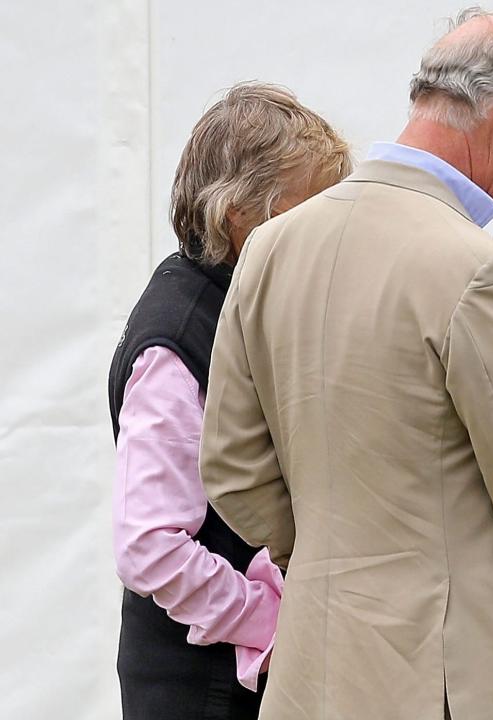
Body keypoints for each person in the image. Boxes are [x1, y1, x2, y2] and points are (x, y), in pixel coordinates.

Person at [197, 9, 493, 720]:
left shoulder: (271, 248)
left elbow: (233, 469)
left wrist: (342, 565)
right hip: (463, 678)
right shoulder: (481, 271)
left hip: (313, 669)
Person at [108, 82, 352, 720]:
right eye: (308, 210)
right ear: (238, 211)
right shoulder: (179, 335)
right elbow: (150, 544)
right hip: (203, 685)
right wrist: (270, 622)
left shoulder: (242, 300)